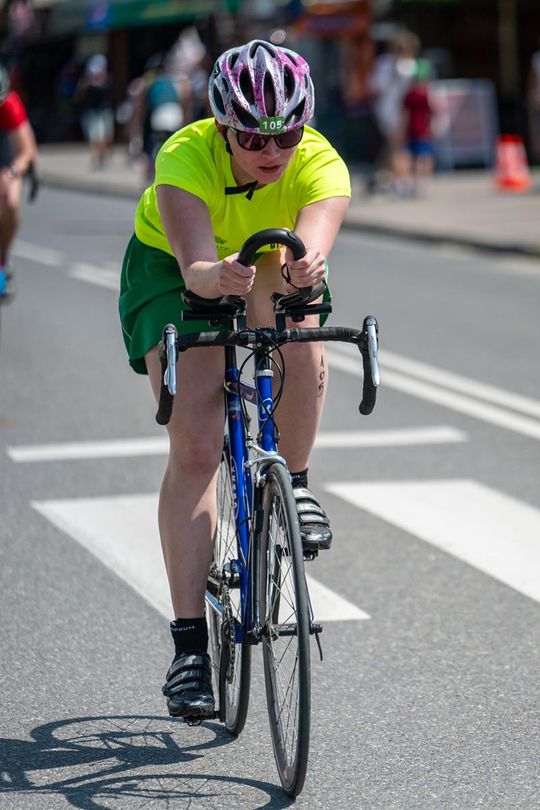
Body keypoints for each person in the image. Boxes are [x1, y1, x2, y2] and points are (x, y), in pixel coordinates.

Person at [118, 39, 351, 720]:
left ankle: (297, 483)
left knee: (298, 322)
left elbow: (313, 244)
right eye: (251, 135)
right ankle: (190, 648)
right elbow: (195, 267)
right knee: (196, 444)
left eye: (287, 133)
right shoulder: (184, 157)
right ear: (223, 126)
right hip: (175, 269)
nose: (271, 149)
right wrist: (208, 278)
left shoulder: (322, 164)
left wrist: (309, 270)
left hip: (262, 261)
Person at [0, 64, 38, 300]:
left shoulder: (10, 104)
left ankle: (2, 260)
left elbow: (28, 150)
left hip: (6, 158)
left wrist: (12, 172)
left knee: (11, 202)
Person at [399, 58, 435, 196]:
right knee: (415, 157)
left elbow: (433, 112)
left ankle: (422, 182)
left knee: (423, 157)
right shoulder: (414, 94)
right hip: (414, 130)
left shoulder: (426, 94)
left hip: (422, 130)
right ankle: (417, 182)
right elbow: (404, 114)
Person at [75, 54, 114, 169]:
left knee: (105, 137)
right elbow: (78, 97)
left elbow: (107, 92)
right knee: (94, 137)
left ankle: (102, 157)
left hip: (104, 112)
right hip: (92, 113)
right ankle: (96, 158)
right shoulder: (86, 84)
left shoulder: (107, 81)